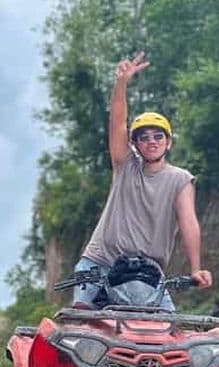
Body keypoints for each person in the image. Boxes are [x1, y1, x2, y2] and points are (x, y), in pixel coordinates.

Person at [74, 51, 212, 309]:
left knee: (168, 333)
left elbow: (188, 222)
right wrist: (121, 83)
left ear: (168, 142)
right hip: (101, 263)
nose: (151, 142)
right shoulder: (126, 165)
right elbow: (117, 123)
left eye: (158, 137)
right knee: (81, 326)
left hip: (148, 274)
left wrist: (196, 268)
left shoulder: (180, 179)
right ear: (135, 143)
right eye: (144, 137)